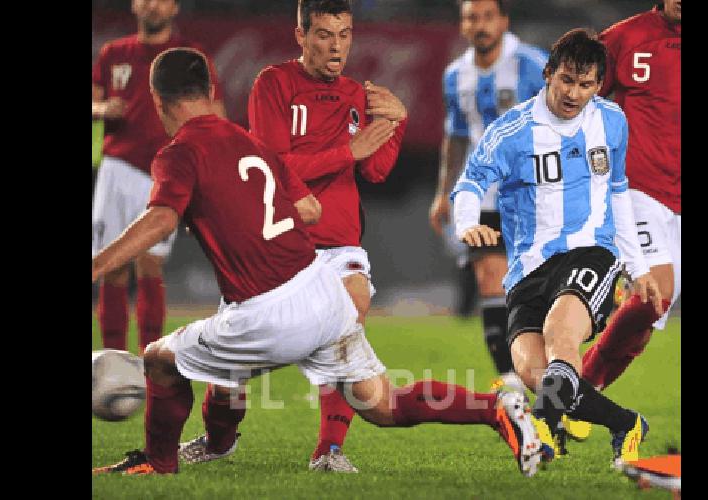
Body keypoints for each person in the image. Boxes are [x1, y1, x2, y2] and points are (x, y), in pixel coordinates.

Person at [91, 47, 547, 477]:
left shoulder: (178, 153)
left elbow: (161, 218)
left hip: (267, 312)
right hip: (322, 292)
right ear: (212, 91)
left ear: (156, 99)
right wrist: (235, 211)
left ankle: (159, 460)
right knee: (384, 405)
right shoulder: (250, 144)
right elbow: (309, 209)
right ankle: (496, 410)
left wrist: (97, 265)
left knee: (160, 359)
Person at [178, 0, 408, 473]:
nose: (337, 46)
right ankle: (219, 440)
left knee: (352, 305)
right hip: (279, 245)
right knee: (227, 373)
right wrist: (347, 149)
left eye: (344, 34)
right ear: (300, 35)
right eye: (324, 34)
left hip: (340, 245)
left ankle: (329, 450)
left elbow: (377, 171)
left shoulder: (354, 94)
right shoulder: (273, 83)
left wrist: (395, 124)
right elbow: (274, 167)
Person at [451, 28, 661, 467]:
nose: (574, 93)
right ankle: (624, 422)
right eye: (567, 80)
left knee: (560, 336)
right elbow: (471, 182)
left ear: (599, 85)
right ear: (548, 74)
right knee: (532, 370)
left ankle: (542, 428)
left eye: (586, 84)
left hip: (591, 251)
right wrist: (468, 221)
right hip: (527, 268)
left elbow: (618, 192)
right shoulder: (512, 130)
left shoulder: (611, 121)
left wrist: (637, 267)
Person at [428, 0, 549, 399]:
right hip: (484, 194)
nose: (479, 25)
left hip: (536, 195)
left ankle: (551, 373)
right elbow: (456, 136)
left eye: (486, 17)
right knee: (489, 278)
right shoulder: (454, 75)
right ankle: (511, 382)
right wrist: (443, 192)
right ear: (462, 25)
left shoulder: (533, 65)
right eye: (470, 18)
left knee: (538, 287)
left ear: (503, 21)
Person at [91, 0, 226, 353]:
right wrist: (104, 109)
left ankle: (149, 358)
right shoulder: (113, 53)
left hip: (166, 171)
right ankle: (112, 361)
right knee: (112, 266)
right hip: (117, 169)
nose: (153, 5)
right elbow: (93, 101)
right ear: (134, 6)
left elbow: (216, 113)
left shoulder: (189, 56)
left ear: (175, 7)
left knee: (150, 265)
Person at [580, 0, 680, 392]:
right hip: (638, 188)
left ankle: (579, 393)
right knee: (655, 294)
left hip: (677, 202)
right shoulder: (625, 38)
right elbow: (577, 104)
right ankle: (578, 388)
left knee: (644, 323)